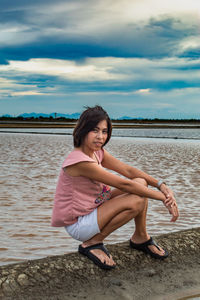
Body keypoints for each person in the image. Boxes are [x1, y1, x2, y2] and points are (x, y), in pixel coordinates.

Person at [51, 105, 179, 270]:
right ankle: (93, 242)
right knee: (136, 200)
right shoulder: (79, 161)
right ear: (83, 130)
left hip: (94, 206)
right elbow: (123, 183)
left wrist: (162, 186)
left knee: (140, 182)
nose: (100, 137)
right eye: (95, 130)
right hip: (79, 223)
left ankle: (140, 236)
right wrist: (165, 199)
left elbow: (128, 171)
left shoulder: (97, 152)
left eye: (104, 132)